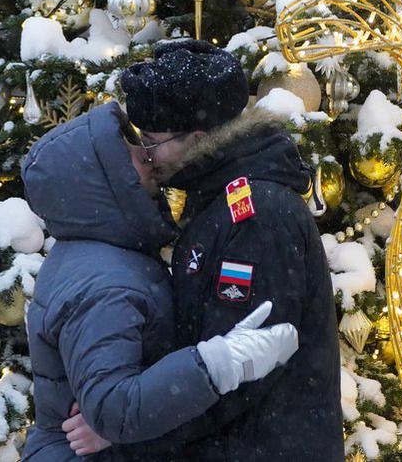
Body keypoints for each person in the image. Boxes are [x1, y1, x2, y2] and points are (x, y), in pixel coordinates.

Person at [64, 39, 342, 460]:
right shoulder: (219, 196)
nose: (148, 156)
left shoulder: (256, 216)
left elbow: (238, 370)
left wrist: (124, 429)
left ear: (196, 138)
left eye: (154, 140)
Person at [21, 85, 300, 462]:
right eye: (133, 155)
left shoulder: (107, 254)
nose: (149, 158)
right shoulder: (104, 283)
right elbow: (112, 408)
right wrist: (217, 363)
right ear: (105, 184)